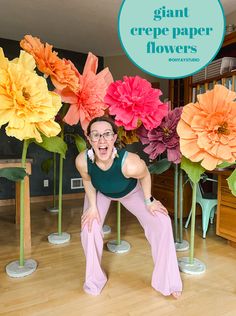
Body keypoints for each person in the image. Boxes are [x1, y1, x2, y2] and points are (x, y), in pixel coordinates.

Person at [75, 116, 182, 298]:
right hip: (101, 193)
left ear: (114, 138)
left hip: (131, 192)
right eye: (96, 135)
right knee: (89, 228)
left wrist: (149, 200)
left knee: (162, 221)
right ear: (89, 139)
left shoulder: (130, 163)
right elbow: (88, 181)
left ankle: (168, 282)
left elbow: (145, 175)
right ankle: (94, 280)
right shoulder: (82, 161)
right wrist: (92, 206)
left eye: (107, 134)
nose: (102, 140)